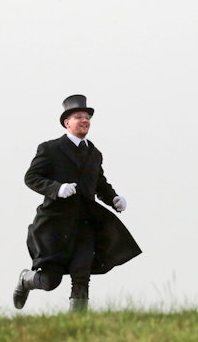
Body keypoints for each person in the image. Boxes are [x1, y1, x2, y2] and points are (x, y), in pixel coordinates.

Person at [13, 94, 141, 312]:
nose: (85, 120)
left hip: (84, 225)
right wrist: (56, 189)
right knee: (51, 281)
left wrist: (113, 199)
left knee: (81, 276)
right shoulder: (50, 149)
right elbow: (31, 178)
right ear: (67, 122)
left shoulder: (94, 153)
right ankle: (26, 279)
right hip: (54, 225)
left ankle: (77, 327)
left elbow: (99, 182)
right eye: (79, 116)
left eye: (87, 117)